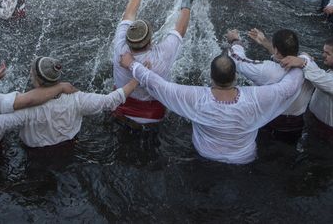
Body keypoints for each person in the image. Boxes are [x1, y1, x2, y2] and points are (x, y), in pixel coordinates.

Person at [118, 50, 304, 164]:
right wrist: (303, 61)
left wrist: (131, 64)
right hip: (243, 160)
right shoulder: (256, 98)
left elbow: (158, 84)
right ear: (235, 77)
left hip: (204, 158)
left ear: (211, 77)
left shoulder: (197, 99)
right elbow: (289, 87)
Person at [0, 56, 139, 148]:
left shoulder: (28, 111)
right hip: (69, 149)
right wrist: (137, 78)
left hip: (37, 157)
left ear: (37, 80)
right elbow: (111, 100)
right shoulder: (77, 99)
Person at [112, 0, 196, 127]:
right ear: (151, 41)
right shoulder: (162, 53)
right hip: (151, 114)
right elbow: (180, 29)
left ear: (127, 37)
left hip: (120, 106)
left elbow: (129, 13)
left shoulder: (120, 47)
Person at [226, 28, 315, 139]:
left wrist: (235, 40)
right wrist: (265, 43)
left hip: (271, 120)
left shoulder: (266, 70)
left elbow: (238, 61)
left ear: (276, 50)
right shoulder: (309, 65)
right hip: (296, 124)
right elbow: (284, 56)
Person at [279, 35, 333, 132]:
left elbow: (331, 84)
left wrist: (304, 63)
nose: (323, 55)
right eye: (323, 51)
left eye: (327, 53)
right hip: (316, 123)